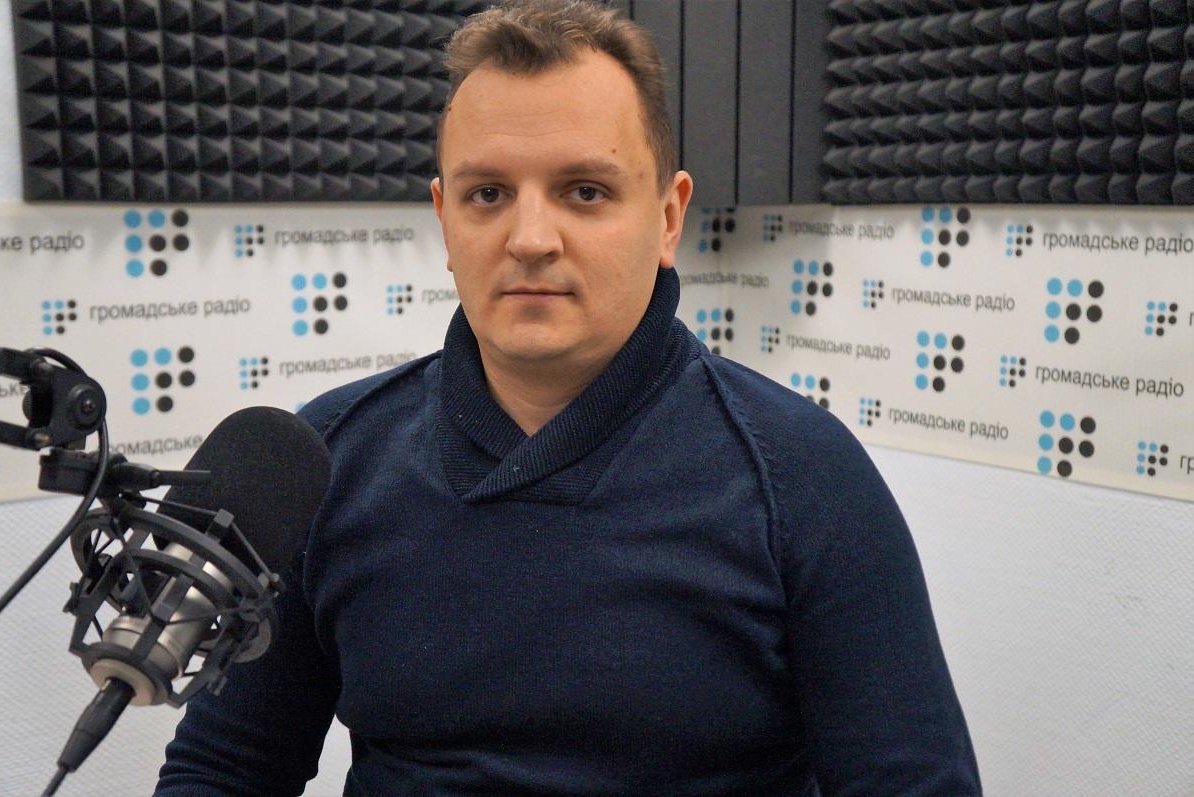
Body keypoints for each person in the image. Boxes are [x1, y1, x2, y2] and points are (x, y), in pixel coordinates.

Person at [155, 1, 981, 795]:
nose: (530, 239)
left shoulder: (803, 476)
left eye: (585, 191)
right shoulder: (325, 459)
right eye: (488, 194)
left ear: (668, 217)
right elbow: (227, 769)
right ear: (445, 218)